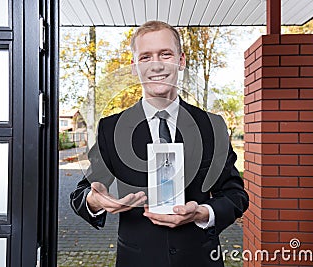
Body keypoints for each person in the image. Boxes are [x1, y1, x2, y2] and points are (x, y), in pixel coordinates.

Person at [70, 21, 249, 267]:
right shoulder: (111, 129)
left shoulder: (212, 126)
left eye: (165, 54)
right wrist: (95, 200)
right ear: (135, 67)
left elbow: (235, 195)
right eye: (145, 57)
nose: (156, 65)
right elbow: (81, 193)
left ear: (181, 61)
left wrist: (201, 213)